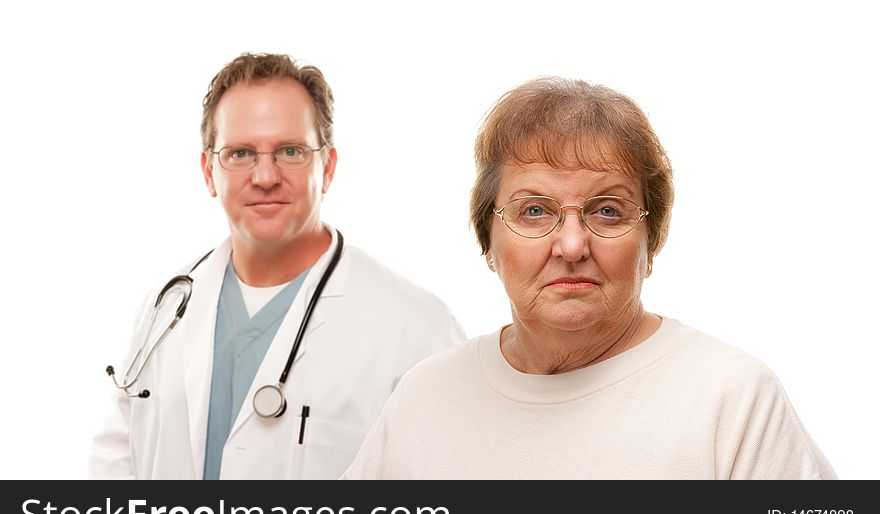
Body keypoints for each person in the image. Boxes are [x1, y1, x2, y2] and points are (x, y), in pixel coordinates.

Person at [343, 77, 836, 479]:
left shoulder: (730, 399)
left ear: (652, 241)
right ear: (489, 240)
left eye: (607, 211)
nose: (573, 246)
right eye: (534, 211)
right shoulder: (425, 397)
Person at [89, 53, 465, 479]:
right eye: (240, 153)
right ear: (209, 172)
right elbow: (116, 456)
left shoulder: (419, 331)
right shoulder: (164, 309)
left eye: (290, 151)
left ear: (328, 168)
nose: (265, 176)